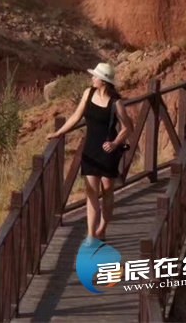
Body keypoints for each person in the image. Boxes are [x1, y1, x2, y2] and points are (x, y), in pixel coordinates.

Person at [47, 62, 132, 241]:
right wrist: (59, 132)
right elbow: (76, 116)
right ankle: (91, 234)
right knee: (91, 192)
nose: (92, 78)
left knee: (107, 191)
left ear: (103, 81)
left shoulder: (116, 103)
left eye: (95, 76)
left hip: (108, 151)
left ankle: (103, 228)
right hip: (90, 149)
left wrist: (115, 143)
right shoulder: (88, 93)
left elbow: (127, 127)